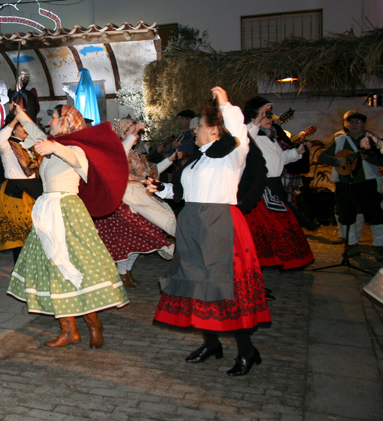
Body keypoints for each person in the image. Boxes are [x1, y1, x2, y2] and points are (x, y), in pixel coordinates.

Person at [148, 87, 271, 377]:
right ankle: (211, 343)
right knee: (195, 285)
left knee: (222, 288)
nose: (195, 130)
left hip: (219, 225)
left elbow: (238, 127)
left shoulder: (232, 154)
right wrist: (160, 189)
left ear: (215, 131)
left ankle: (247, 351)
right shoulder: (197, 158)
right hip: (193, 224)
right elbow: (184, 192)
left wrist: (225, 103)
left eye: (200, 126)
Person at [6, 103, 129, 349]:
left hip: (67, 213)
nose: (49, 122)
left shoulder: (77, 149)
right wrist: (20, 112)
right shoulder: (52, 145)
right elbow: (35, 132)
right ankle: (69, 330)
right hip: (46, 213)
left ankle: (94, 324)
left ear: (65, 121)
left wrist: (55, 147)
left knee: (77, 267)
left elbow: (75, 158)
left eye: (53, 118)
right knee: (54, 271)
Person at [94, 118, 176, 289]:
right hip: (124, 203)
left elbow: (152, 172)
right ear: (121, 135)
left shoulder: (136, 155)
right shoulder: (114, 153)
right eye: (131, 132)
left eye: (136, 133)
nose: (135, 136)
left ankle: (128, 272)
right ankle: (122, 274)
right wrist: (134, 133)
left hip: (140, 199)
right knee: (125, 242)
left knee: (138, 241)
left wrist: (171, 159)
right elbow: (120, 158)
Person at [242, 96, 314, 270]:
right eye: (265, 115)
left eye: (269, 116)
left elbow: (281, 159)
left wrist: (297, 151)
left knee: (282, 223)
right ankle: (269, 260)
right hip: (261, 189)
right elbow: (244, 137)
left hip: (274, 186)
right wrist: (258, 118)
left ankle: (281, 259)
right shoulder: (248, 134)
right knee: (273, 225)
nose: (269, 119)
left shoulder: (269, 138)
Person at [317, 111, 383, 260]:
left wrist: (370, 157)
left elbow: (381, 160)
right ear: (345, 124)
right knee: (346, 214)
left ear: (364, 125)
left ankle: (380, 246)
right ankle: (352, 245)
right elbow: (322, 155)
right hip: (344, 183)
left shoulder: (372, 139)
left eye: (357, 122)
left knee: (375, 214)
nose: (353, 125)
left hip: (367, 182)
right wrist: (337, 161)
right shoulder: (339, 140)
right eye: (350, 122)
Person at [0, 113, 43, 263]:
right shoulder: (7, 145)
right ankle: (21, 272)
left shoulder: (30, 146)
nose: (26, 128)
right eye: (22, 125)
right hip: (17, 193)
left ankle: (34, 270)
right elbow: (0, 138)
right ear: (13, 129)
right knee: (21, 237)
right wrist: (15, 118)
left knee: (37, 234)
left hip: (34, 190)